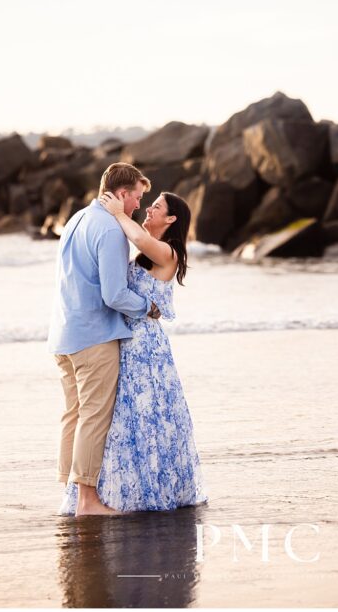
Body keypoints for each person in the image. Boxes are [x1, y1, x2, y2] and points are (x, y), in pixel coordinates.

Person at [58, 188, 207, 515]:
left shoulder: (169, 252)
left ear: (171, 219)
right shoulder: (140, 253)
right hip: (122, 340)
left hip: (145, 346)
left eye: (156, 207)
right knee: (122, 420)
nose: (149, 210)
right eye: (149, 205)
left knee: (146, 416)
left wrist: (117, 212)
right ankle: (114, 493)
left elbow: (140, 239)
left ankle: (143, 491)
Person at [48, 162, 162, 517]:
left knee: (74, 415)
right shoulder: (111, 230)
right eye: (138, 198)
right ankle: (87, 501)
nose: (139, 207)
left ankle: (70, 497)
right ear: (122, 193)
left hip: (63, 335)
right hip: (94, 337)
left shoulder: (77, 219)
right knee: (94, 417)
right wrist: (148, 306)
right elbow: (114, 294)